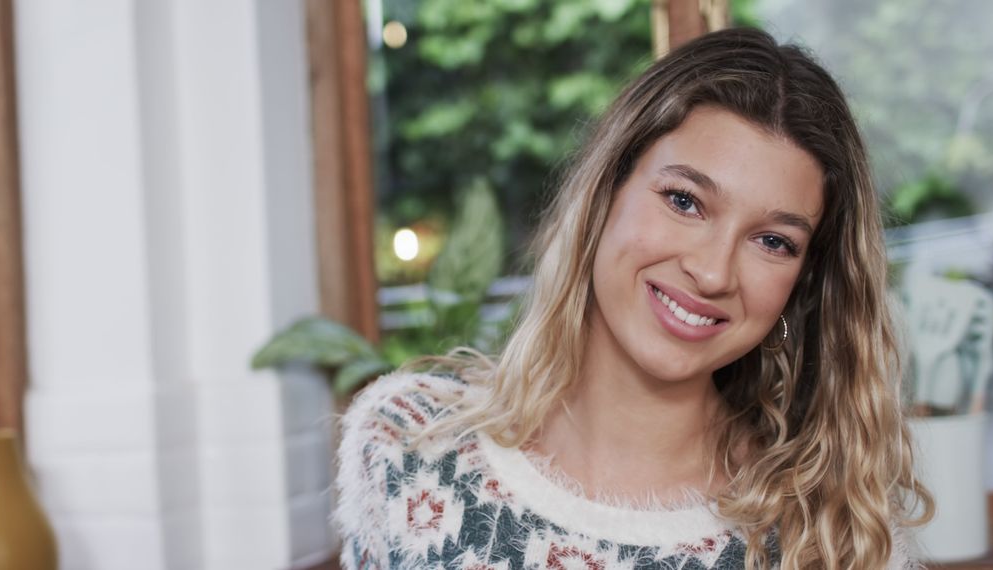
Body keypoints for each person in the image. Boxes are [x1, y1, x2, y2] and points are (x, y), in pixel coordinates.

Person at [334, 27, 933, 569]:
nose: (712, 271)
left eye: (773, 241)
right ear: (604, 196)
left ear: (802, 283)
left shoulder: (833, 540)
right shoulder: (410, 446)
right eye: (683, 201)